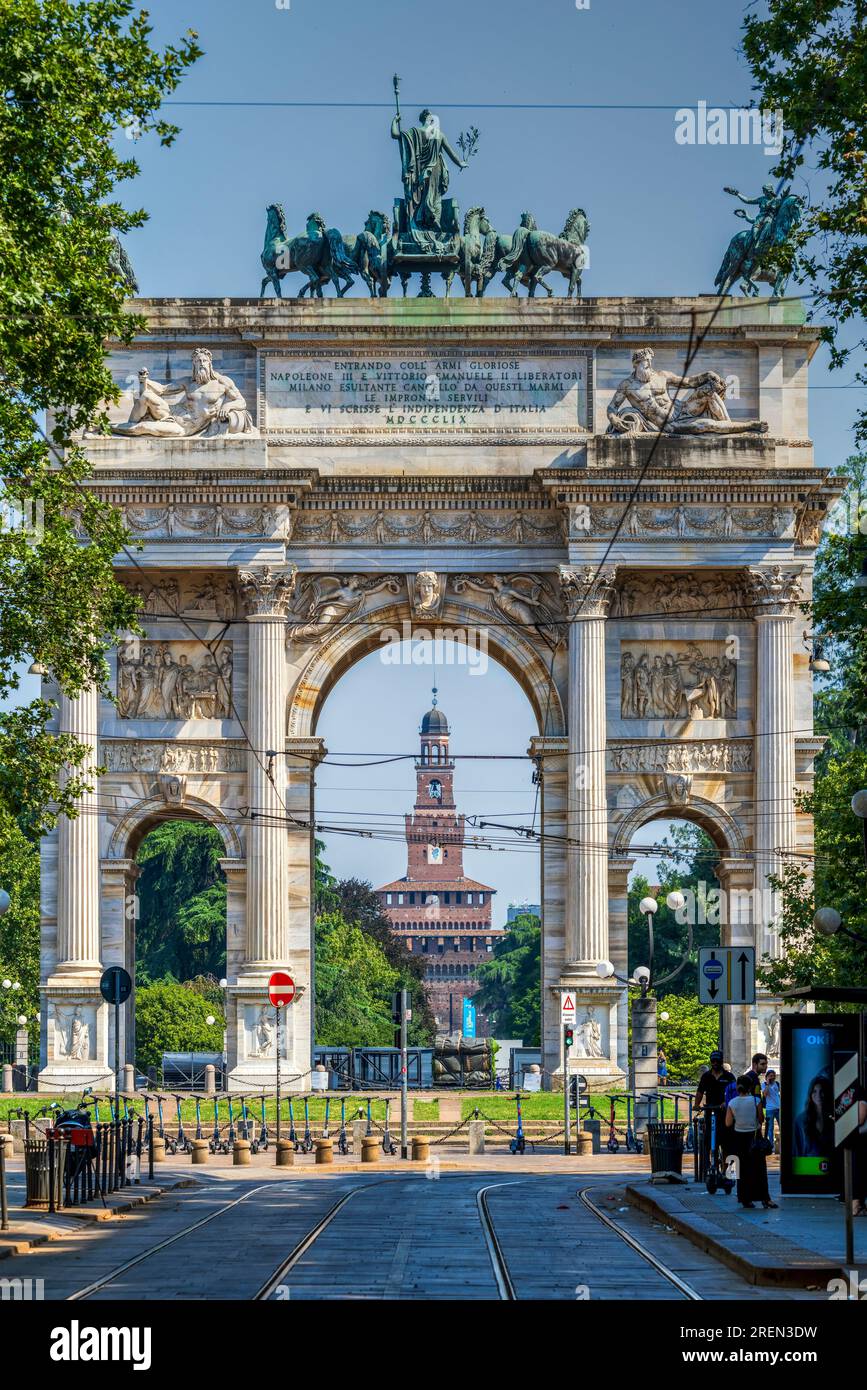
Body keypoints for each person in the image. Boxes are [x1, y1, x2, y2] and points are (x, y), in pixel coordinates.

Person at [725, 1075, 777, 1210]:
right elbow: (761, 1119)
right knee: (759, 1170)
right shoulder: (756, 1100)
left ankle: (745, 1199)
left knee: (742, 1170)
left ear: (737, 1087)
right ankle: (765, 1198)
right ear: (750, 1087)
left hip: (739, 1139)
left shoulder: (732, 1103)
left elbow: (728, 1123)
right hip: (754, 1138)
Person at [695, 1050, 736, 1175]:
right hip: (710, 1110)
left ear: (721, 1061)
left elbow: (734, 1093)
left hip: (725, 1113)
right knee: (707, 1139)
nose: (715, 1063)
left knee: (726, 1142)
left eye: (717, 1061)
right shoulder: (706, 1076)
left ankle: (727, 1170)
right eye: (713, 1061)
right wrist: (696, 1105)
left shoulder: (729, 1077)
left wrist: (726, 1103)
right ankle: (708, 1167)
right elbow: (700, 1091)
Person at [793, 1072, 834, 1160]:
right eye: (814, 1091)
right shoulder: (800, 1120)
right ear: (810, 1094)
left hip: (831, 1167)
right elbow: (797, 1150)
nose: (818, 1095)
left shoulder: (834, 1117)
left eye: (822, 1091)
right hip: (809, 1167)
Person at [762, 1069, 781, 1152]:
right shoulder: (764, 1084)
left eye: (773, 1075)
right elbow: (765, 1094)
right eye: (770, 1076)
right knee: (770, 1128)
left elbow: (778, 1094)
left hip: (778, 1108)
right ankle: (771, 1146)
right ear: (767, 1076)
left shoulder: (777, 1084)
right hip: (770, 1109)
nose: (772, 1077)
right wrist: (768, 1084)